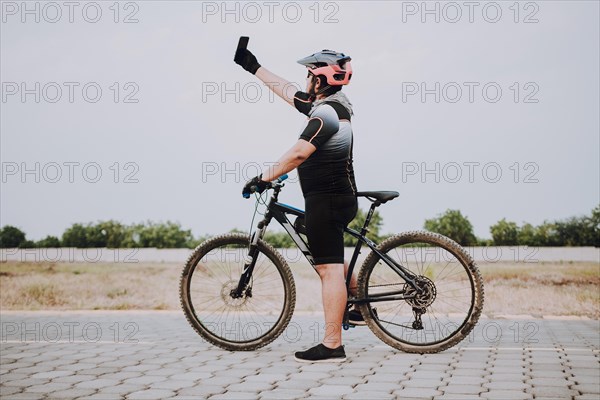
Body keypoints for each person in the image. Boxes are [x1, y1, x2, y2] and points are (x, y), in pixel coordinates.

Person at [235, 45, 363, 362]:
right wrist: (253, 66)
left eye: (308, 74)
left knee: (328, 270)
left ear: (317, 79)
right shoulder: (332, 105)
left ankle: (333, 344)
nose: (304, 79)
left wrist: (264, 176)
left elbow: (298, 153)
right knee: (327, 251)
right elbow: (289, 92)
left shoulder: (326, 114)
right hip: (336, 199)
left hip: (328, 200)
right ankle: (358, 304)